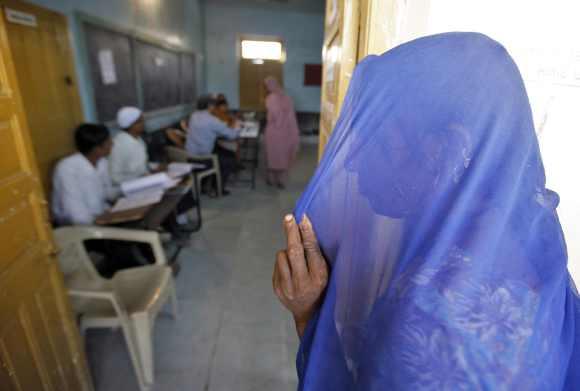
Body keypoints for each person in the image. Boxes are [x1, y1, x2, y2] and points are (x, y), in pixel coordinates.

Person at [273, 33, 580, 389]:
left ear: (447, 149)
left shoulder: (432, 316)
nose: (353, 165)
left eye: (373, 141)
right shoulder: (527, 238)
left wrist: (309, 318)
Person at [52, 123, 116, 225]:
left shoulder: (102, 162)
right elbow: (76, 214)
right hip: (76, 228)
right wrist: (102, 222)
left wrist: (124, 194)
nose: (112, 143)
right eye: (108, 142)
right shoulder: (67, 168)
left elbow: (105, 193)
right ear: (96, 148)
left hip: (100, 218)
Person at [186, 95, 241, 194]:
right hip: (203, 158)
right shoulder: (211, 120)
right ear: (209, 106)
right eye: (213, 105)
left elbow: (212, 129)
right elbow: (231, 135)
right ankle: (217, 189)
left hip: (189, 156)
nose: (214, 107)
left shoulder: (193, 116)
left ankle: (204, 185)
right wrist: (237, 126)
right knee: (230, 158)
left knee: (222, 151)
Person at [263, 77, 300, 189]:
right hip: (287, 132)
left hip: (274, 132)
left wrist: (271, 119)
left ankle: (271, 179)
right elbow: (291, 116)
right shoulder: (287, 97)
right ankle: (281, 181)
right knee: (282, 156)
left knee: (272, 155)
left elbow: (273, 116)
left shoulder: (270, 98)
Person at [109, 106, 149, 186]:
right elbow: (114, 178)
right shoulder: (119, 145)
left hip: (143, 182)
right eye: (140, 121)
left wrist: (154, 167)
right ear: (131, 125)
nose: (144, 123)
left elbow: (140, 166)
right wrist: (140, 178)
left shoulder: (138, 139)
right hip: (128, 188)